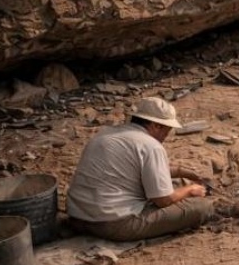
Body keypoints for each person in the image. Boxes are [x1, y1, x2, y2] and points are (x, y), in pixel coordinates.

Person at [67, 96, 214, 241]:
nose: (166, 136)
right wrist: (190, 190)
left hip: (77, 217)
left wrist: (182, 172)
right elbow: (163, 201)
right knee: (201, 207)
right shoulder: (151, 145)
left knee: (175, 185)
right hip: (113, 224)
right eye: (167, 130)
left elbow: (137, 168)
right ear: (156, 126)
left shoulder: (105, 134)